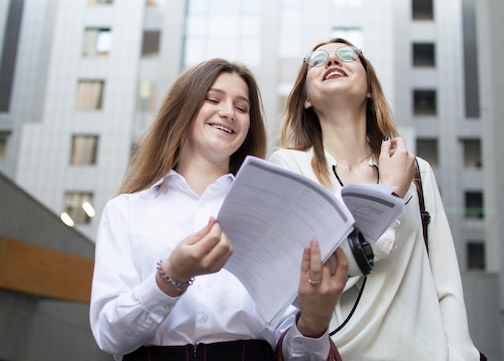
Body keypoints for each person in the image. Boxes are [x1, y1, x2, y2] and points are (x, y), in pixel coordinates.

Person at [90, 58, 349, 361]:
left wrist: (314, 323)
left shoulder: (270, 214)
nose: (228, 113)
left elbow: (296, 353)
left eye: (242, 108)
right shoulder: (126, 211)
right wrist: (171, 276)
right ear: (182, 109)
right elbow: (110, 336)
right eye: (213, 99)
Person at [270, 38, 481, 360]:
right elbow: (318, 273)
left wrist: (460, 355)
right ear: (306, 99)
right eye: (317, 60)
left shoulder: (416, 169)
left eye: (346, 55)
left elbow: (447, 282)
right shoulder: (288, 166)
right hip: (339, 351)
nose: (332, 61)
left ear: (370, 87)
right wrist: (391, 194)